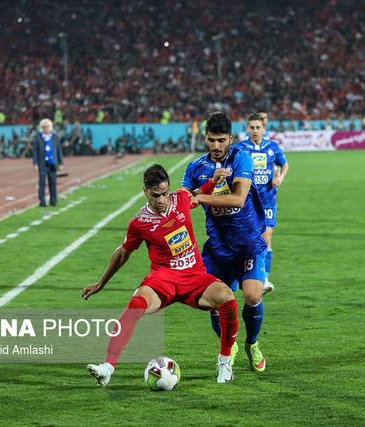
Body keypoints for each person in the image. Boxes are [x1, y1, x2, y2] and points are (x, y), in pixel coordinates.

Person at [83, 164, 239, 385]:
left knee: (227, 297)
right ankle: (107, 367)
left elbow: (198, 193)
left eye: (165, 193)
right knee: (135, 306)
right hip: (163, 278)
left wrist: (214, 181)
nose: (162, 199)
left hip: (194, 276)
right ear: (145, 191)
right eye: (156, 195)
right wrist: (101, 283)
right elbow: (122, 254)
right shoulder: (139, 223)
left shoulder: (181, 199)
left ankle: (225, 362)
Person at [182, 112, 268, 373]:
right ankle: (228, 347)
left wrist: (203, 196)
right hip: (219, 248)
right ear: (205, 139)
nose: (217, 146)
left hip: (248, 243)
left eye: (221, 140)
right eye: (211, 140)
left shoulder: (241, 158)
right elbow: (185, 202)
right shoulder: (195, 168)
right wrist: (209, 184)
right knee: (212, 302)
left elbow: (239, 199)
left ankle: (252, 343)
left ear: (231, 138)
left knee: (252, 296)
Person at [238, 113, 289, 294]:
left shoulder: (272, 147)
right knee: (245, 238)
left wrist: (280, 178)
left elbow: (285, 164)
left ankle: (265, 278)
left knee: (266, 236)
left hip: (267, 200)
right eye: (252, 127)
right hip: (246, 201)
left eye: (258, 127)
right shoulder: (240, 148)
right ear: (247, 129)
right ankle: (241, 274)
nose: (255, 131)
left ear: (263, 129)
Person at [32, 118, 64, 207]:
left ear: (51, 127)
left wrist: (61, 163)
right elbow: (35, 151)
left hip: (53, 163)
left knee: (53, 182)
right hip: (42, 163)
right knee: (42, 183)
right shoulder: (38, 137)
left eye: (47, 127)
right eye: (44, 127)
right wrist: (35, 163)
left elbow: (59, 150)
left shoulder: (55, 137)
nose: (46, 129)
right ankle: (42, 201)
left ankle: (53, 201)